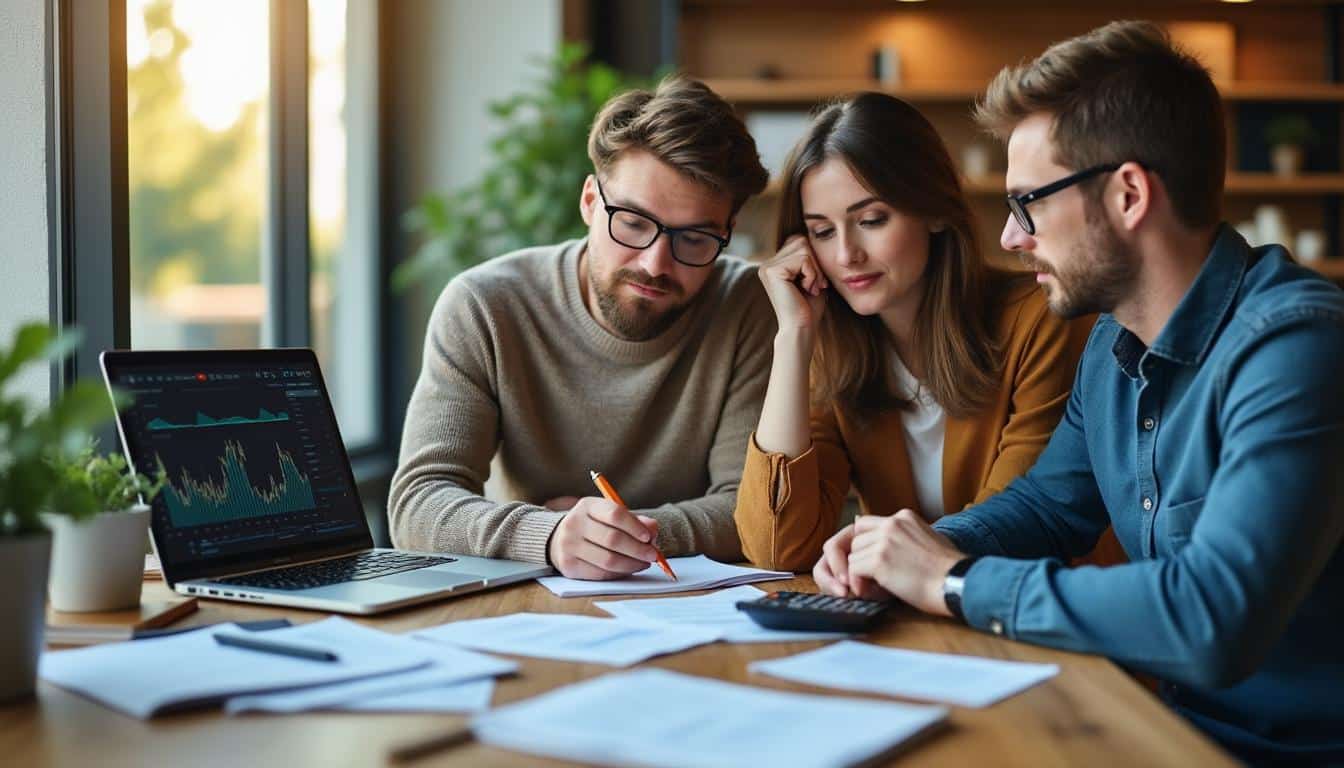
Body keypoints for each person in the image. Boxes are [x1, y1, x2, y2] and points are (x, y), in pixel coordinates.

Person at [813, 21, 1344, 762]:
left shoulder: (1297, 346)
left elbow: (1211, 618)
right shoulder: (1112, 341)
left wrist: (955, 582)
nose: (1010, 237)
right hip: (1170, 731)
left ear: (1129, 194)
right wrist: (914, 550)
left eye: (1027, 202)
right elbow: (1048, 506)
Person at [389, 76, 773, 581]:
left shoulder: (746, 306)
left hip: (690, 599)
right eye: (632, 223)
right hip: (528, 600)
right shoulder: (485, 306)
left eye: (695, 239)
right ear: (591, 201)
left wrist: (610, 535)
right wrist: (549, 535)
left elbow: (748, 509)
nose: (655, 264)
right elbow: (418, 503)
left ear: (727, 233)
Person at [734, 92, 1094, 572]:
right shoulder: (830, 347)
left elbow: (1021, 528)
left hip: (1033, 606)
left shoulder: (1039, 320)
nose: (845, 255)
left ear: (935, 210)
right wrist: (793, 337)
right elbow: (776, 547)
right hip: (906, 607)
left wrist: (889, 557)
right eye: (822, 232)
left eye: (871, 220)